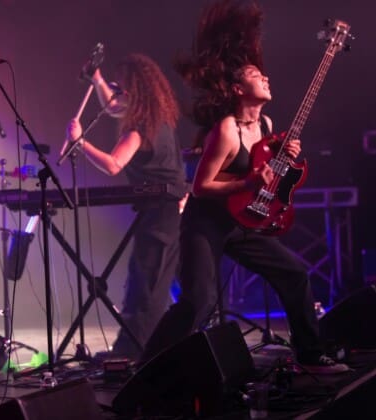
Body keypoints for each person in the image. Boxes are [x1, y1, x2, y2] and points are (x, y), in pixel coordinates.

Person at [141, 0, 349, 374]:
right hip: (206, 222)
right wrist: (250, 180)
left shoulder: (266, 126)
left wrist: (287, 159)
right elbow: (201, 186)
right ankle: (149, 366)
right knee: (199, 301)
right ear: (239, 89)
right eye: (256, 75)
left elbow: (270, 175)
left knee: (294, 274)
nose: (265, 78)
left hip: (243, 221)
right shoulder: (226, 129)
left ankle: (309, 354)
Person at [66, 53, 188, 361]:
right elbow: (112, 106)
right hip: (169, 208)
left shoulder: (139, 129)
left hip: (160, 211)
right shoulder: (159, 121)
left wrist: (80, 142)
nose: (115, 93)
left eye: (120, 87)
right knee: (151, 280)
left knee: (145, 283)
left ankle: (132, 352)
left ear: (135, 91)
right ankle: (146, 349)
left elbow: (113, 164)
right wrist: (97, 79)